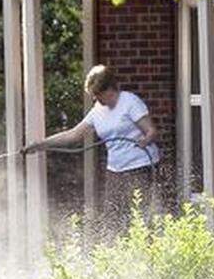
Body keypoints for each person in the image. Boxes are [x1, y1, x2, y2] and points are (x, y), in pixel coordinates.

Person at [22, 65, 160, 232]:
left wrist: (144, 141)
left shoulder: (130, 102)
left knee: (142, 218)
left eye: (98, 95)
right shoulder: (97, 111)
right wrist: (40, 144)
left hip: (140, 167)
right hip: (115, 171)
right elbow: (74, 134)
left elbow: (152, 131)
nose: (96, 99)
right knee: (114, 220)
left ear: (110, 89)